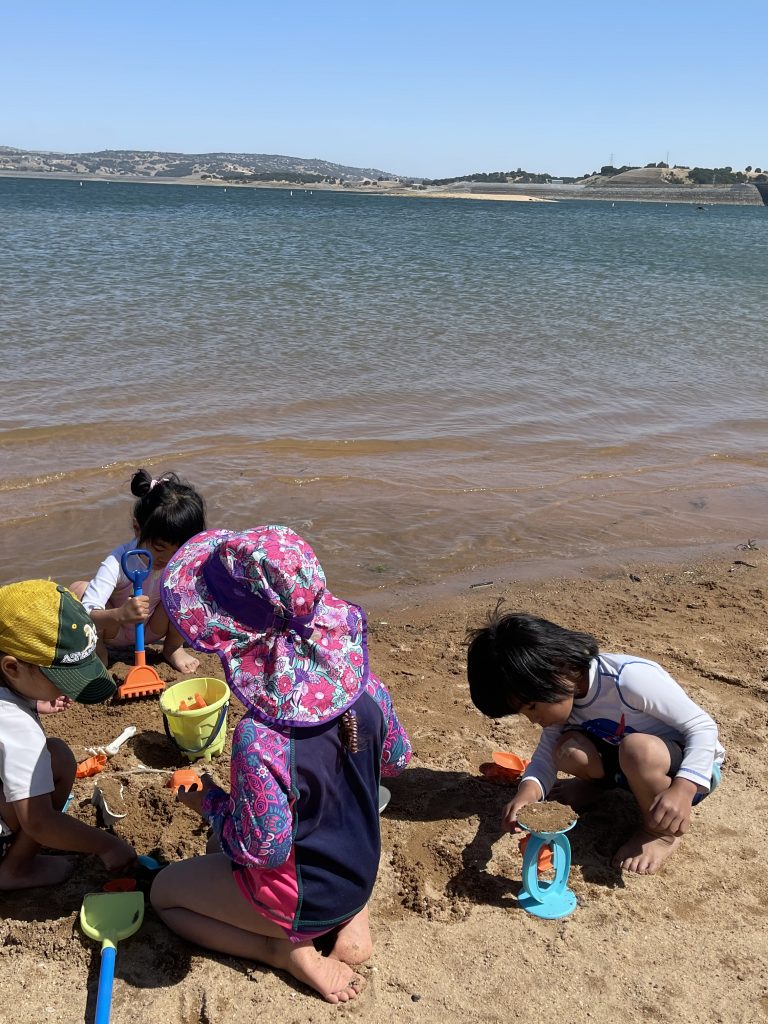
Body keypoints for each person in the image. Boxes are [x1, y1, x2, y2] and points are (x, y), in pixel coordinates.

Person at [150, 526, 411, 1003]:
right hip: (360, 868)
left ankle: (285, 953)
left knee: (165, 894)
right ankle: (354, 922)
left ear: (227, 632)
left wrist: (208, 803)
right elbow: (395, 761)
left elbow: (265, 849)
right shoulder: (367, 689)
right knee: (346, 804)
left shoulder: (259, 740)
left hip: (305, 898)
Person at [467, 608, 724, 875]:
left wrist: (683, 789)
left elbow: (702, 727)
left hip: (688, 771)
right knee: (568, 750)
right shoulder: (564, 697)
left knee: (638, 749)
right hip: (628, 763)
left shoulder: (628, 679)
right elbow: (543, 760)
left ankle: (660, 833)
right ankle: (599, 788)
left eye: (532, 707)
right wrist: (526, 796)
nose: (533, 720)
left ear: (558, 670)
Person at [0, 580, 137, 890]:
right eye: (59, 679)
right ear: (12, 667)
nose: (66, 691)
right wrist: (107, 845)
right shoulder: (14, 723)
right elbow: (39, 822)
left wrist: (33, 699)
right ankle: (16, 869)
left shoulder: (7, 681)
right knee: (58, 758)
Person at [71, 468, 206, 673]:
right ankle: (98, 649)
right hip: (113, 631)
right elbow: (87, 612)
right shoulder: (118, 561)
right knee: (78, 589)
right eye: (159, 548)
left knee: (184, 593)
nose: (167, 559)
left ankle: (172, 648)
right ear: (137, 528)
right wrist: (119, 614)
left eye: (178, 551)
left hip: (152, 629)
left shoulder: (180, 561)